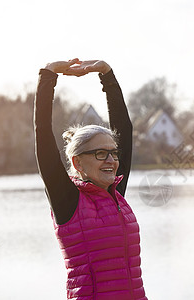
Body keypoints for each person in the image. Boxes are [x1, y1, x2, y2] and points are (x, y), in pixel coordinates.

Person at [34, 58, 147, 300]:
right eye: (99, 153)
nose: (111, 160)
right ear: (77, 163)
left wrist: (106, 74)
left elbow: (124, 131)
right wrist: (48, 76)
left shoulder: (115, 196)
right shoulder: (68, 202)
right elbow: (43, 136)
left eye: (113, 153)